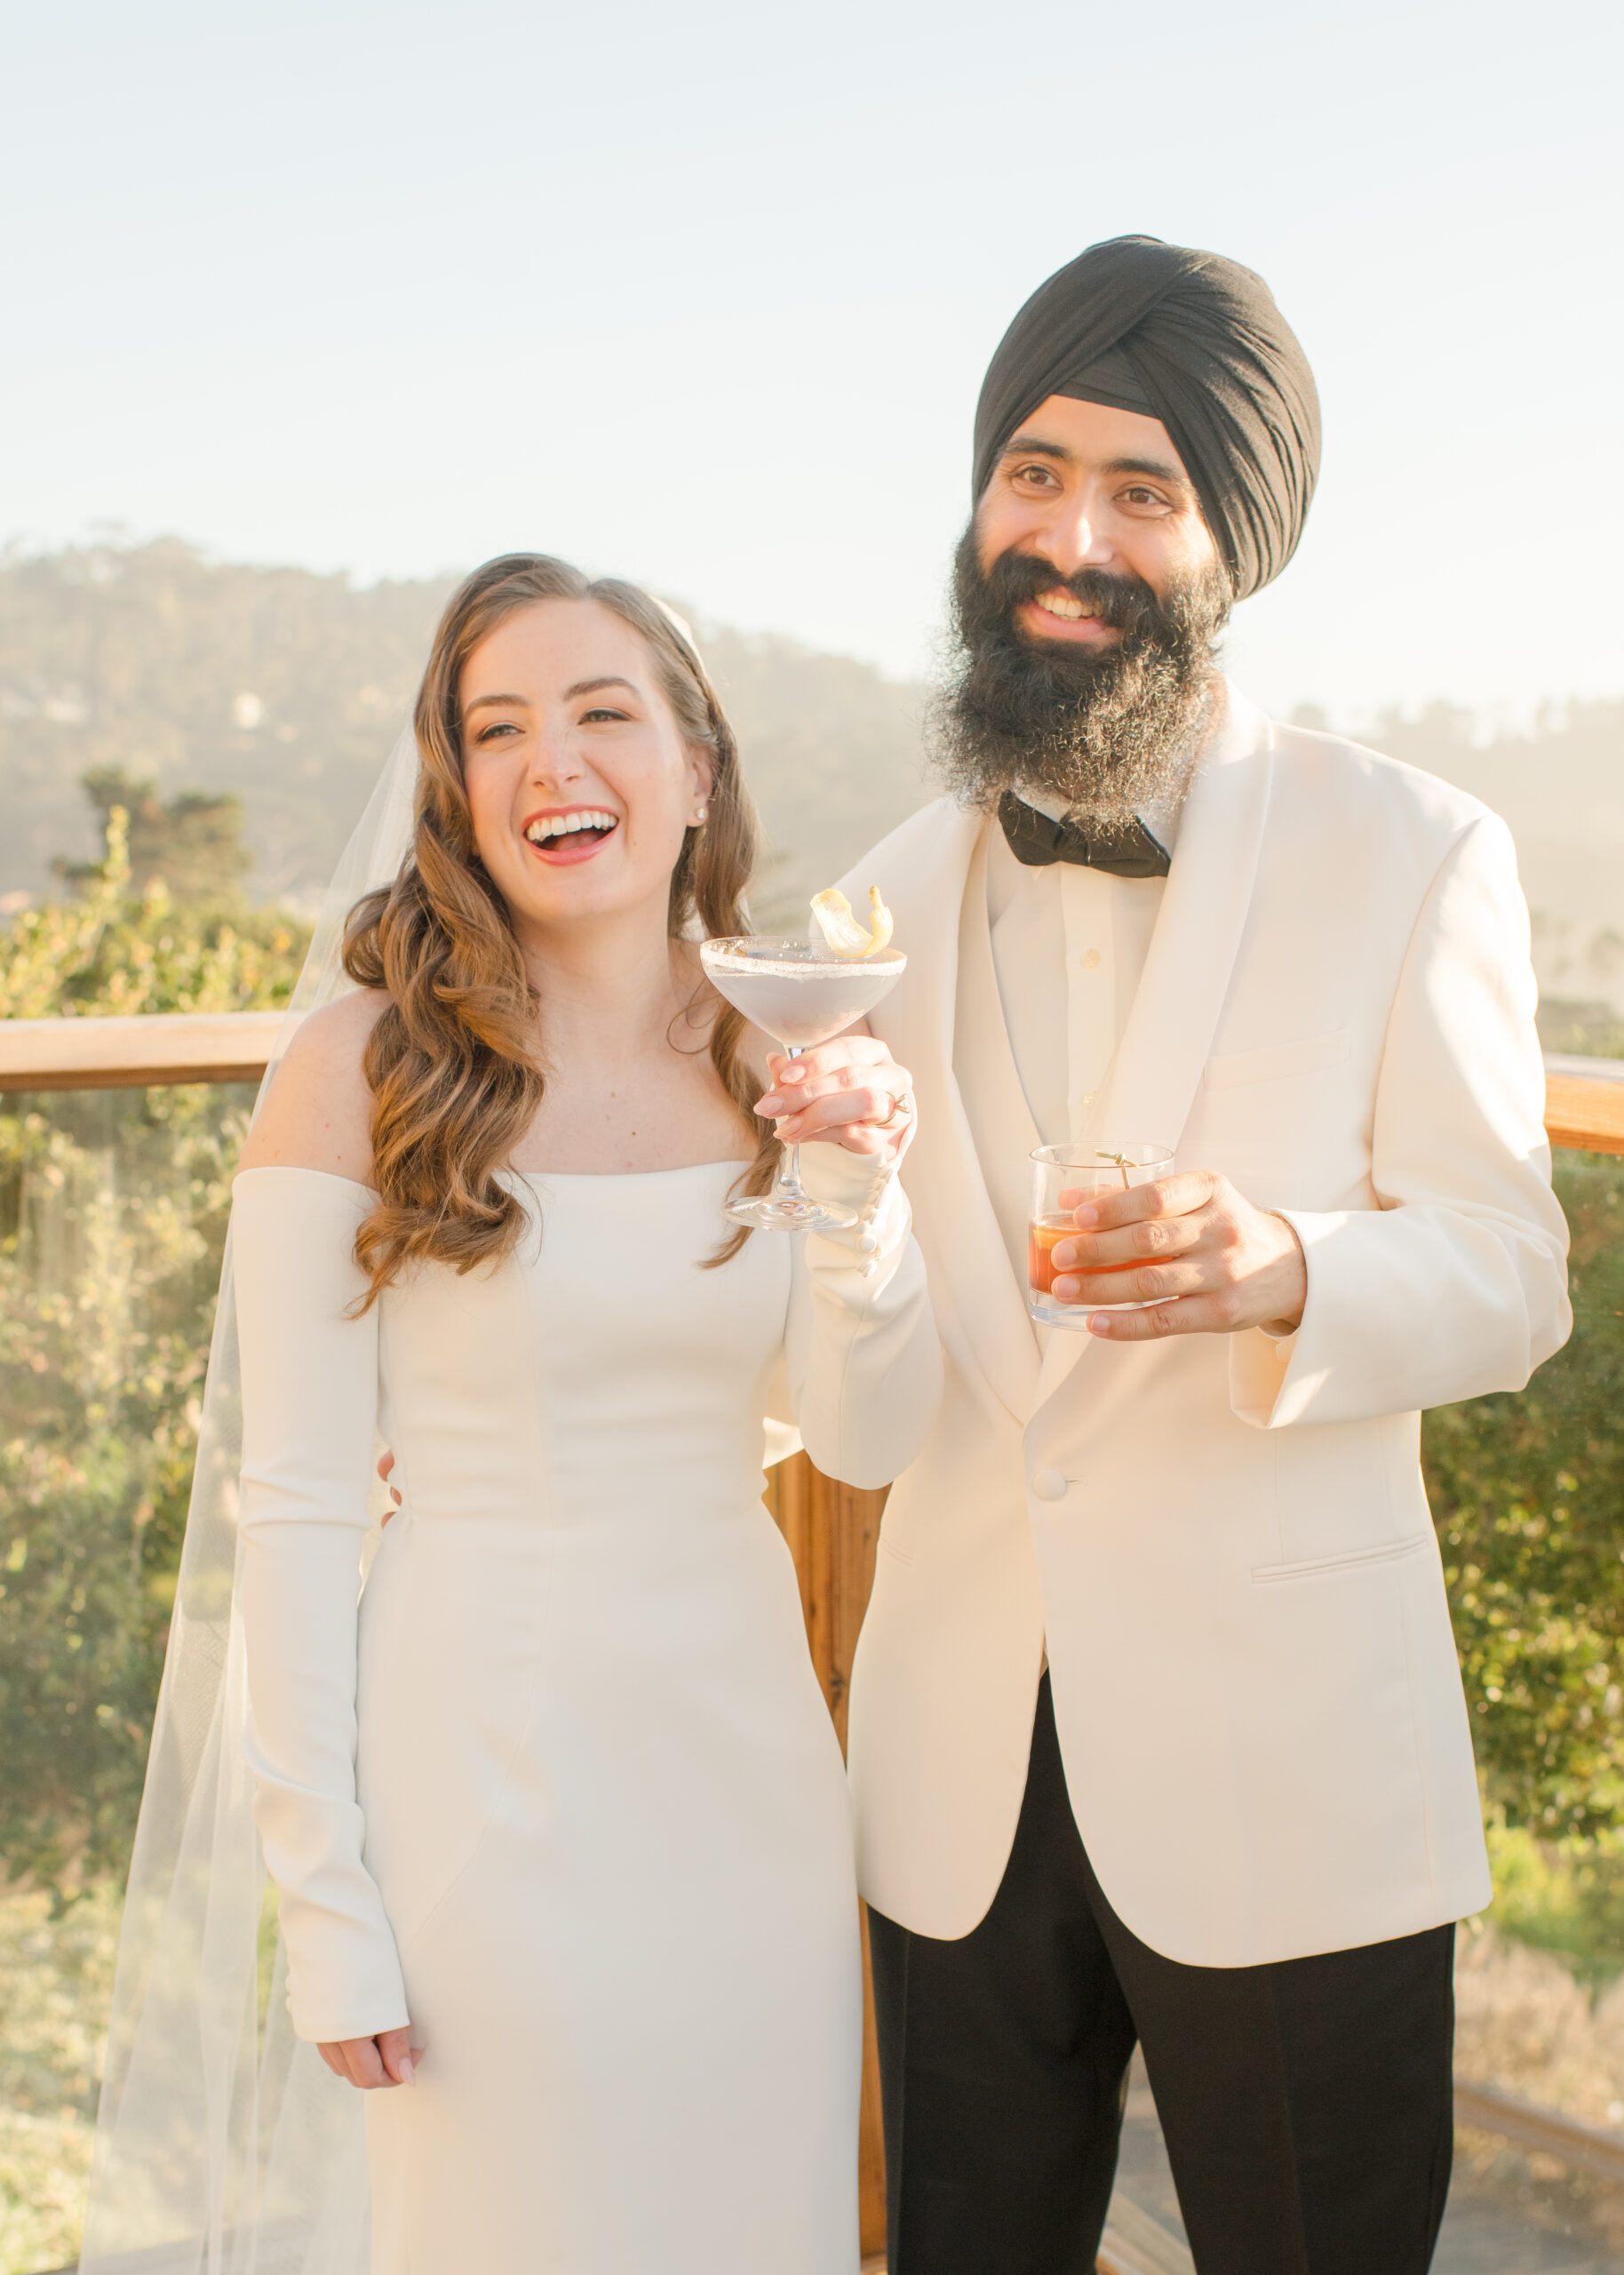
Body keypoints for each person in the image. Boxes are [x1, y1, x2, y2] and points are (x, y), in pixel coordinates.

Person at [776, 237, 1571, 2273]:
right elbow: (859, 1423)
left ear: (1233, 543)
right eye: (1032, 473)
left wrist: (1285, 1262)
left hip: (1289, 1764)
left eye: (1142, 491)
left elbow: (1507, 1270)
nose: (1069, 535)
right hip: (951, 1786)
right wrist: (837, 1195)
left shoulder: (1413, 847)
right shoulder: (864, 904)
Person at [80, 554, 941, 2274]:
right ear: (457, 795)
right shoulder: (358, 1064)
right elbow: (300, 1501)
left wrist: (859, 1179)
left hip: (746, 1780)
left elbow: (864, 1435)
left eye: (602, 712)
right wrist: (323, 1898)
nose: (551, 760)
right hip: (476, 1777)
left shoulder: (785, 1050)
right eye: (497, 729)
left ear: (697, 769)